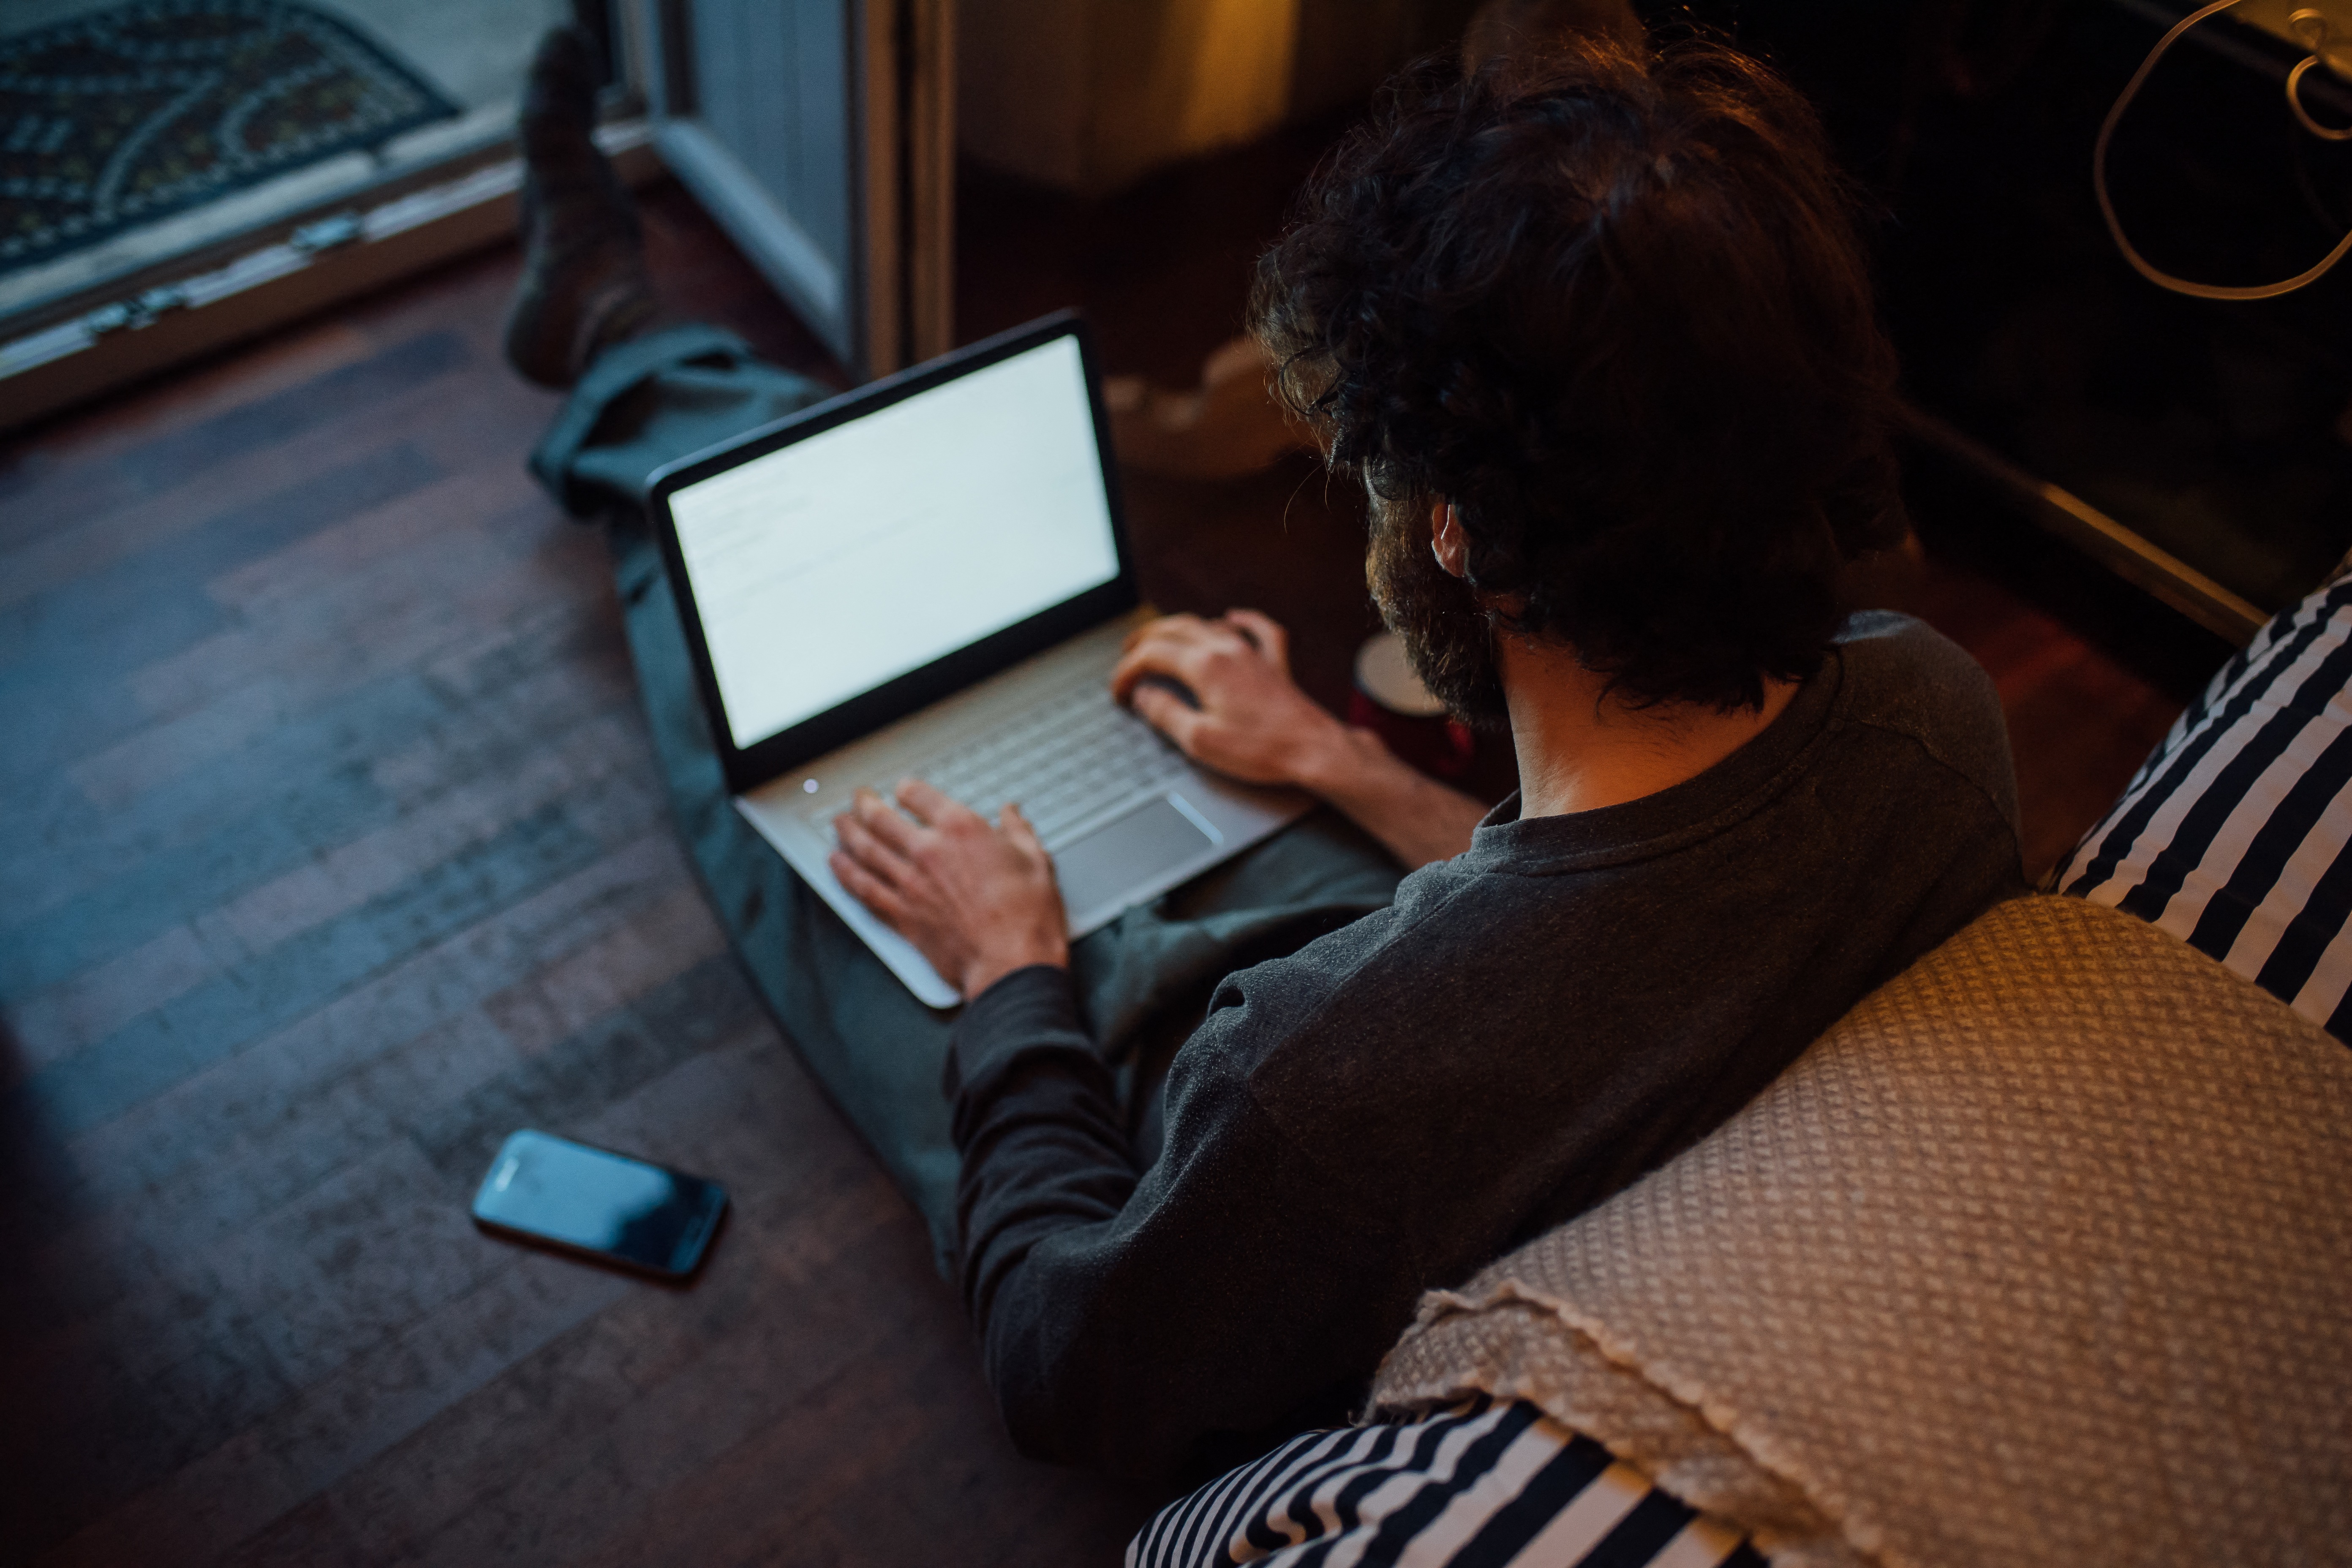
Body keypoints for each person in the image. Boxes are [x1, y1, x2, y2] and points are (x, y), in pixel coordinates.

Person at [508, 26, 2025, 1484]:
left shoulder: (1315, 1079)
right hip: (1416, 1046)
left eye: (1373, 476)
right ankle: (648, 357)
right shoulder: (1932, 717)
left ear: (1458, 527)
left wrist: (1010, 974)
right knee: (1142, 691)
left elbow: (1062, 1361)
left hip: (1239, 1157)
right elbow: (1623, 925)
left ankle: (622, 340)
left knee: (782, 768)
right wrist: (1336, 760)